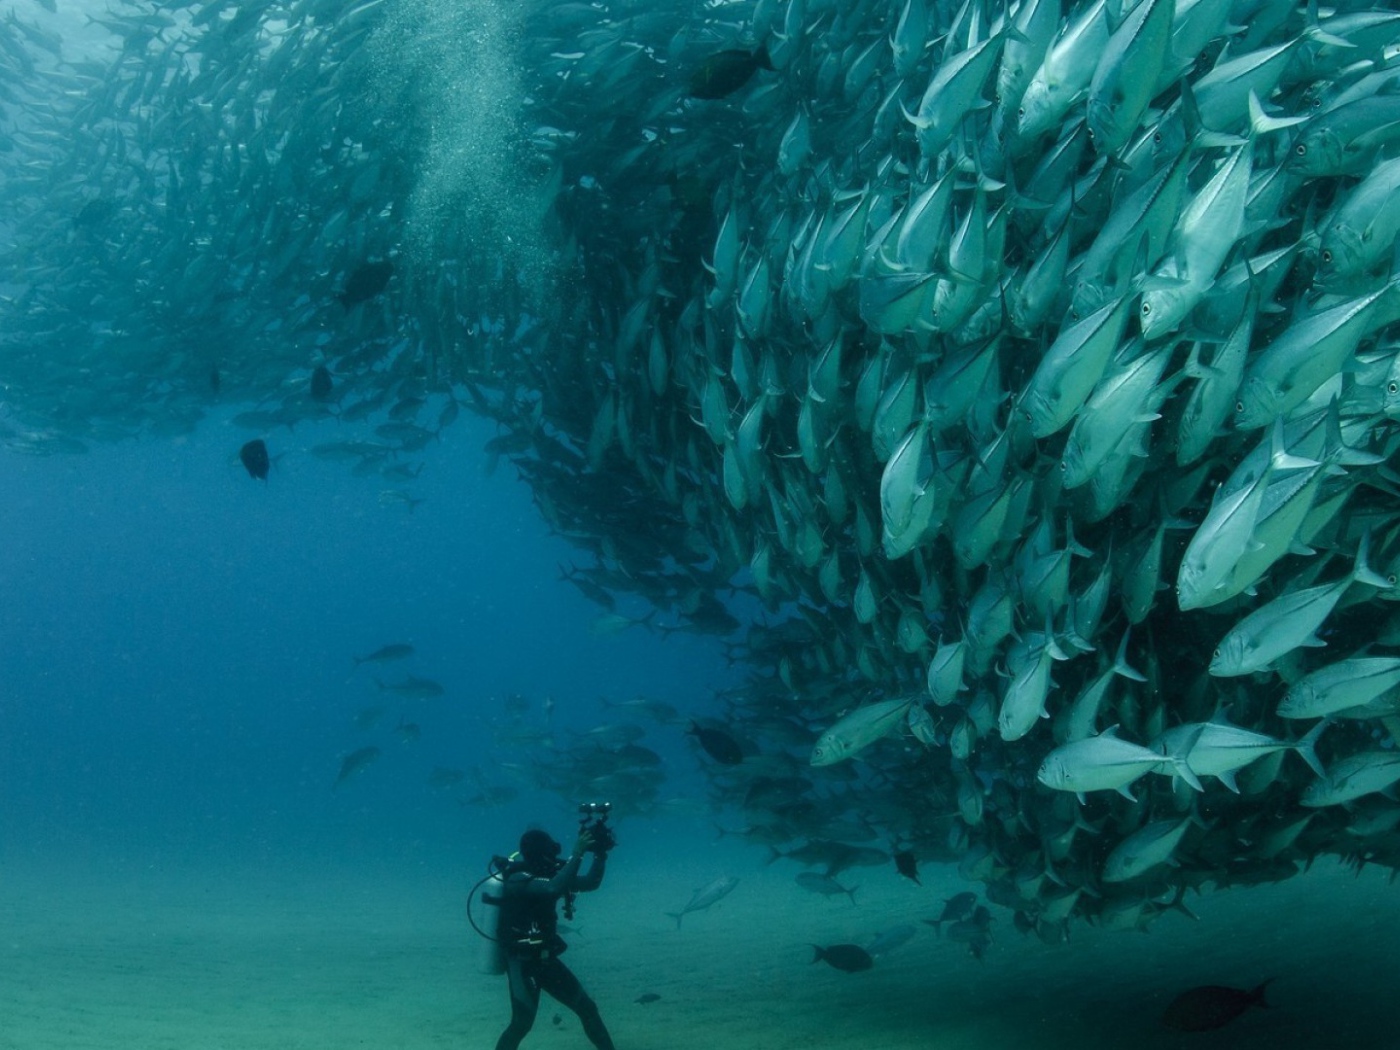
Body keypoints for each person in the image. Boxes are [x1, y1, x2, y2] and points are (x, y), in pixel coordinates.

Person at [493, 826, 615, 1050]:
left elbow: (590, 883)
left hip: (545, 959)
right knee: (521, 1024)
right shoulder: (518, 877)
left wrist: (599, 855)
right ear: (541, 851)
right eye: (550, 847)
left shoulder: (550, 872)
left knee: (587, 1009)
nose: (554, 852)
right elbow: (551, 889)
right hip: (522, 961)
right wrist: (577, 854)